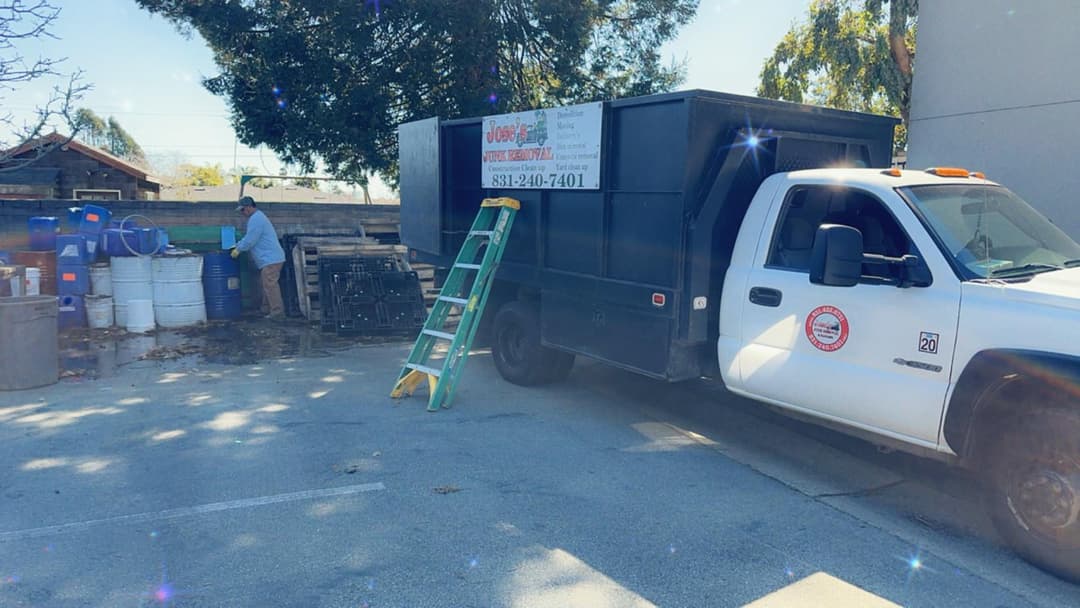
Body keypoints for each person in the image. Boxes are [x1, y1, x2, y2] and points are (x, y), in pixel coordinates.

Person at [232, 196, 286, 320]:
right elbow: (250, 238)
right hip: (272, 258)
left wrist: (238, 249)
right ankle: (266, 309)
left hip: (271, 259)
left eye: (243, 210)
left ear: (250, 207)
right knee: (267, 284)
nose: (242, 213)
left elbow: (250, 240)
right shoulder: (258, 217)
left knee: (270, 285)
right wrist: (238, 246)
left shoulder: (256, 219)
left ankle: (277, 312)